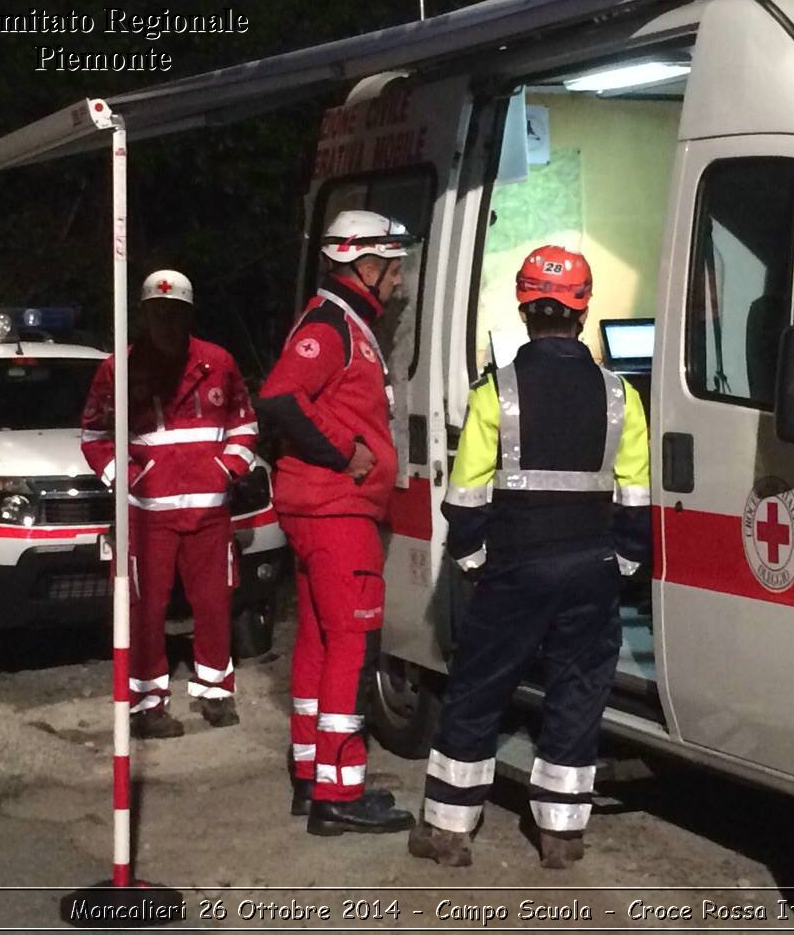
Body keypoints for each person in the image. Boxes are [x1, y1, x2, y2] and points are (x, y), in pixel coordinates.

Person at [408, 245, 651, 868]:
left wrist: (474, 562)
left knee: (480, 687)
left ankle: (447, 831)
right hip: (591, 570)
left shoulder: (496, 393)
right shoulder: (622, 396)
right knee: (577, 690)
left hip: (515, 569)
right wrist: (620, 565)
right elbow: (634, 499)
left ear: (523, 309)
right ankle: (561, 834)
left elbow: (463, 502)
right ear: (583, 309)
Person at [256, 210, 416, 836]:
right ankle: (338, 793)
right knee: (354, 643)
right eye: (393, 266)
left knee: (322, 641)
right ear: (364, 265)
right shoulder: (330, 324)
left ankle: (310, 775)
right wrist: (345, 451)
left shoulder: (341, 321)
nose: (398, 280)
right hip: (335, 507)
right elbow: (279, 396)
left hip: (320, 507)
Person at [81, 269, 259, 739]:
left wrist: (227, 471)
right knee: (144, 608)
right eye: (157, 312)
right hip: (148, 517)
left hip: (209, 513)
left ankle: (215, 692)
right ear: (144, 314)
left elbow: (244, 425)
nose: (166, 322)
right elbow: (95, 435)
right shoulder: (118, 368)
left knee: (215, 603)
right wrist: (129, 480)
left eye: (175, 312)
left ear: (189, 315)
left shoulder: (218, 362)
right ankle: (146, 703)